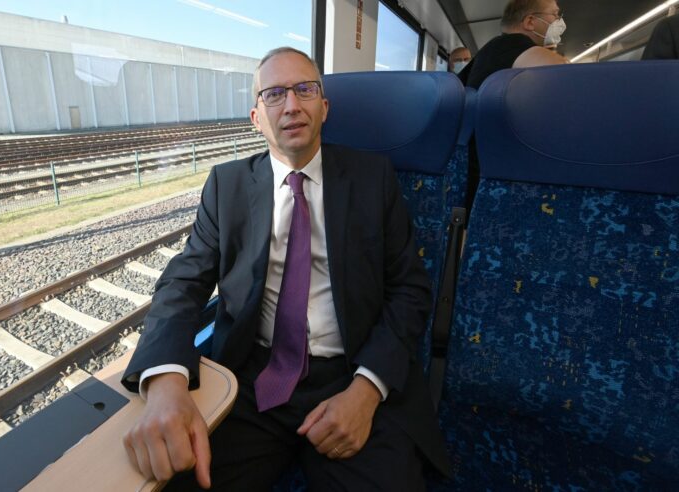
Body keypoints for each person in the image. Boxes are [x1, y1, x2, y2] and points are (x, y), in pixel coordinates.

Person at [120, 46, 450, 491]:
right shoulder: (227, 186)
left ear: (324, 107)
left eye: (304, 89)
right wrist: (164, 383)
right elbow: (183, 281)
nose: (291, 104)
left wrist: (367, 390)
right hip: (252, 380)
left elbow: (410, 290)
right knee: (176, 478)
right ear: (256, 117)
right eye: (274, 94)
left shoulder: (373, 179)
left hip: (350, 373)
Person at [465, 0, 568, 90]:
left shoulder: (493, 48)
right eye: (555, 14)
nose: (559, 20)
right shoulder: (512, 42)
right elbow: (564, 71)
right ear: (530, 22)